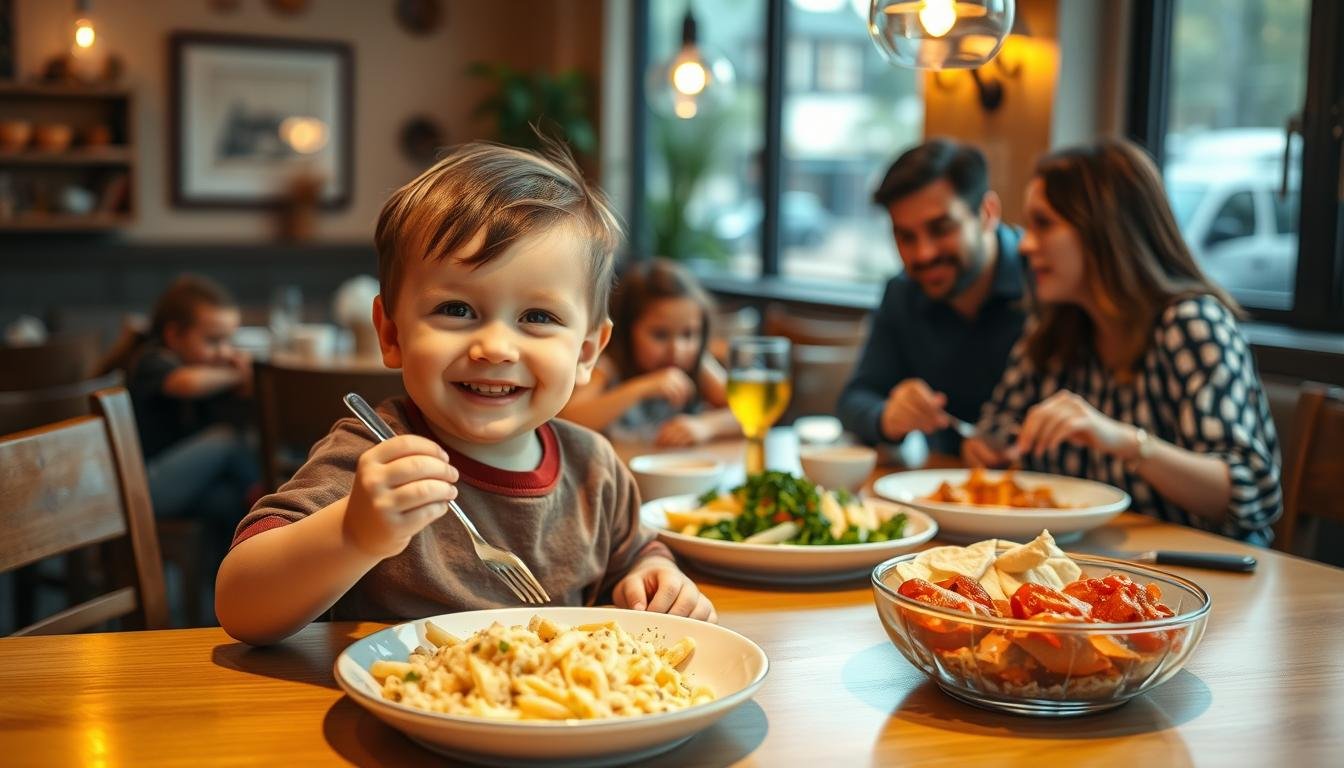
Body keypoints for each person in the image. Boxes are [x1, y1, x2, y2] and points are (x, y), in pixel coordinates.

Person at [216, 141, 715, 645]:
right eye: (456, 310)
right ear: (391, 335)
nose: (495, 347)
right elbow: (240, 605)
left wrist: (654, 578)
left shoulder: (595, 468)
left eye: (537, 317)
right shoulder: (376, 456)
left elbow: (636, 554)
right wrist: (352, 533)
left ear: (587, 352)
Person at [964, 139, 1282, 543]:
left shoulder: (1191, 325)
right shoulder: (1055, 327)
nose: (1025, 244)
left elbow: (1252, 493)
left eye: (1043, 223)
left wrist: (1124, 441)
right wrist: (984, 448)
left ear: (1104, 229)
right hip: (1094, 569)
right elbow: (994, 430)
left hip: (1203, 571)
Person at [838, 139, 1027, 456]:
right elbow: (856, 399)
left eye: (941, 229)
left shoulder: (1044, 279)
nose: (923, 254)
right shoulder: (903, 293)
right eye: (906, 236)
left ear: (986, 213)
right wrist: (888, 417)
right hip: (943, 487)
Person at [121, 275, 258, 562]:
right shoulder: (151, 360)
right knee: (226, 440)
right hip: (144, 488)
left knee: (226, 501)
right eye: (213, 340)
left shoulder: (203, 365)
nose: (223, 350)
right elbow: (186, 384)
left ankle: (226, 592)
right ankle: (271, 493)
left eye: (229, 340)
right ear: (174, 336)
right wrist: (239, 374)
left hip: (181, 483)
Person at [560, 258, 740, 446]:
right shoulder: (608, 365)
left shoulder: (698, 363)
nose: (676, 350)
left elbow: (747, 414)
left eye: (688, 334)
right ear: (627, 330)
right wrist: (641, 388)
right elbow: (569, 418)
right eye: (660, 335)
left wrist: (706, 426)